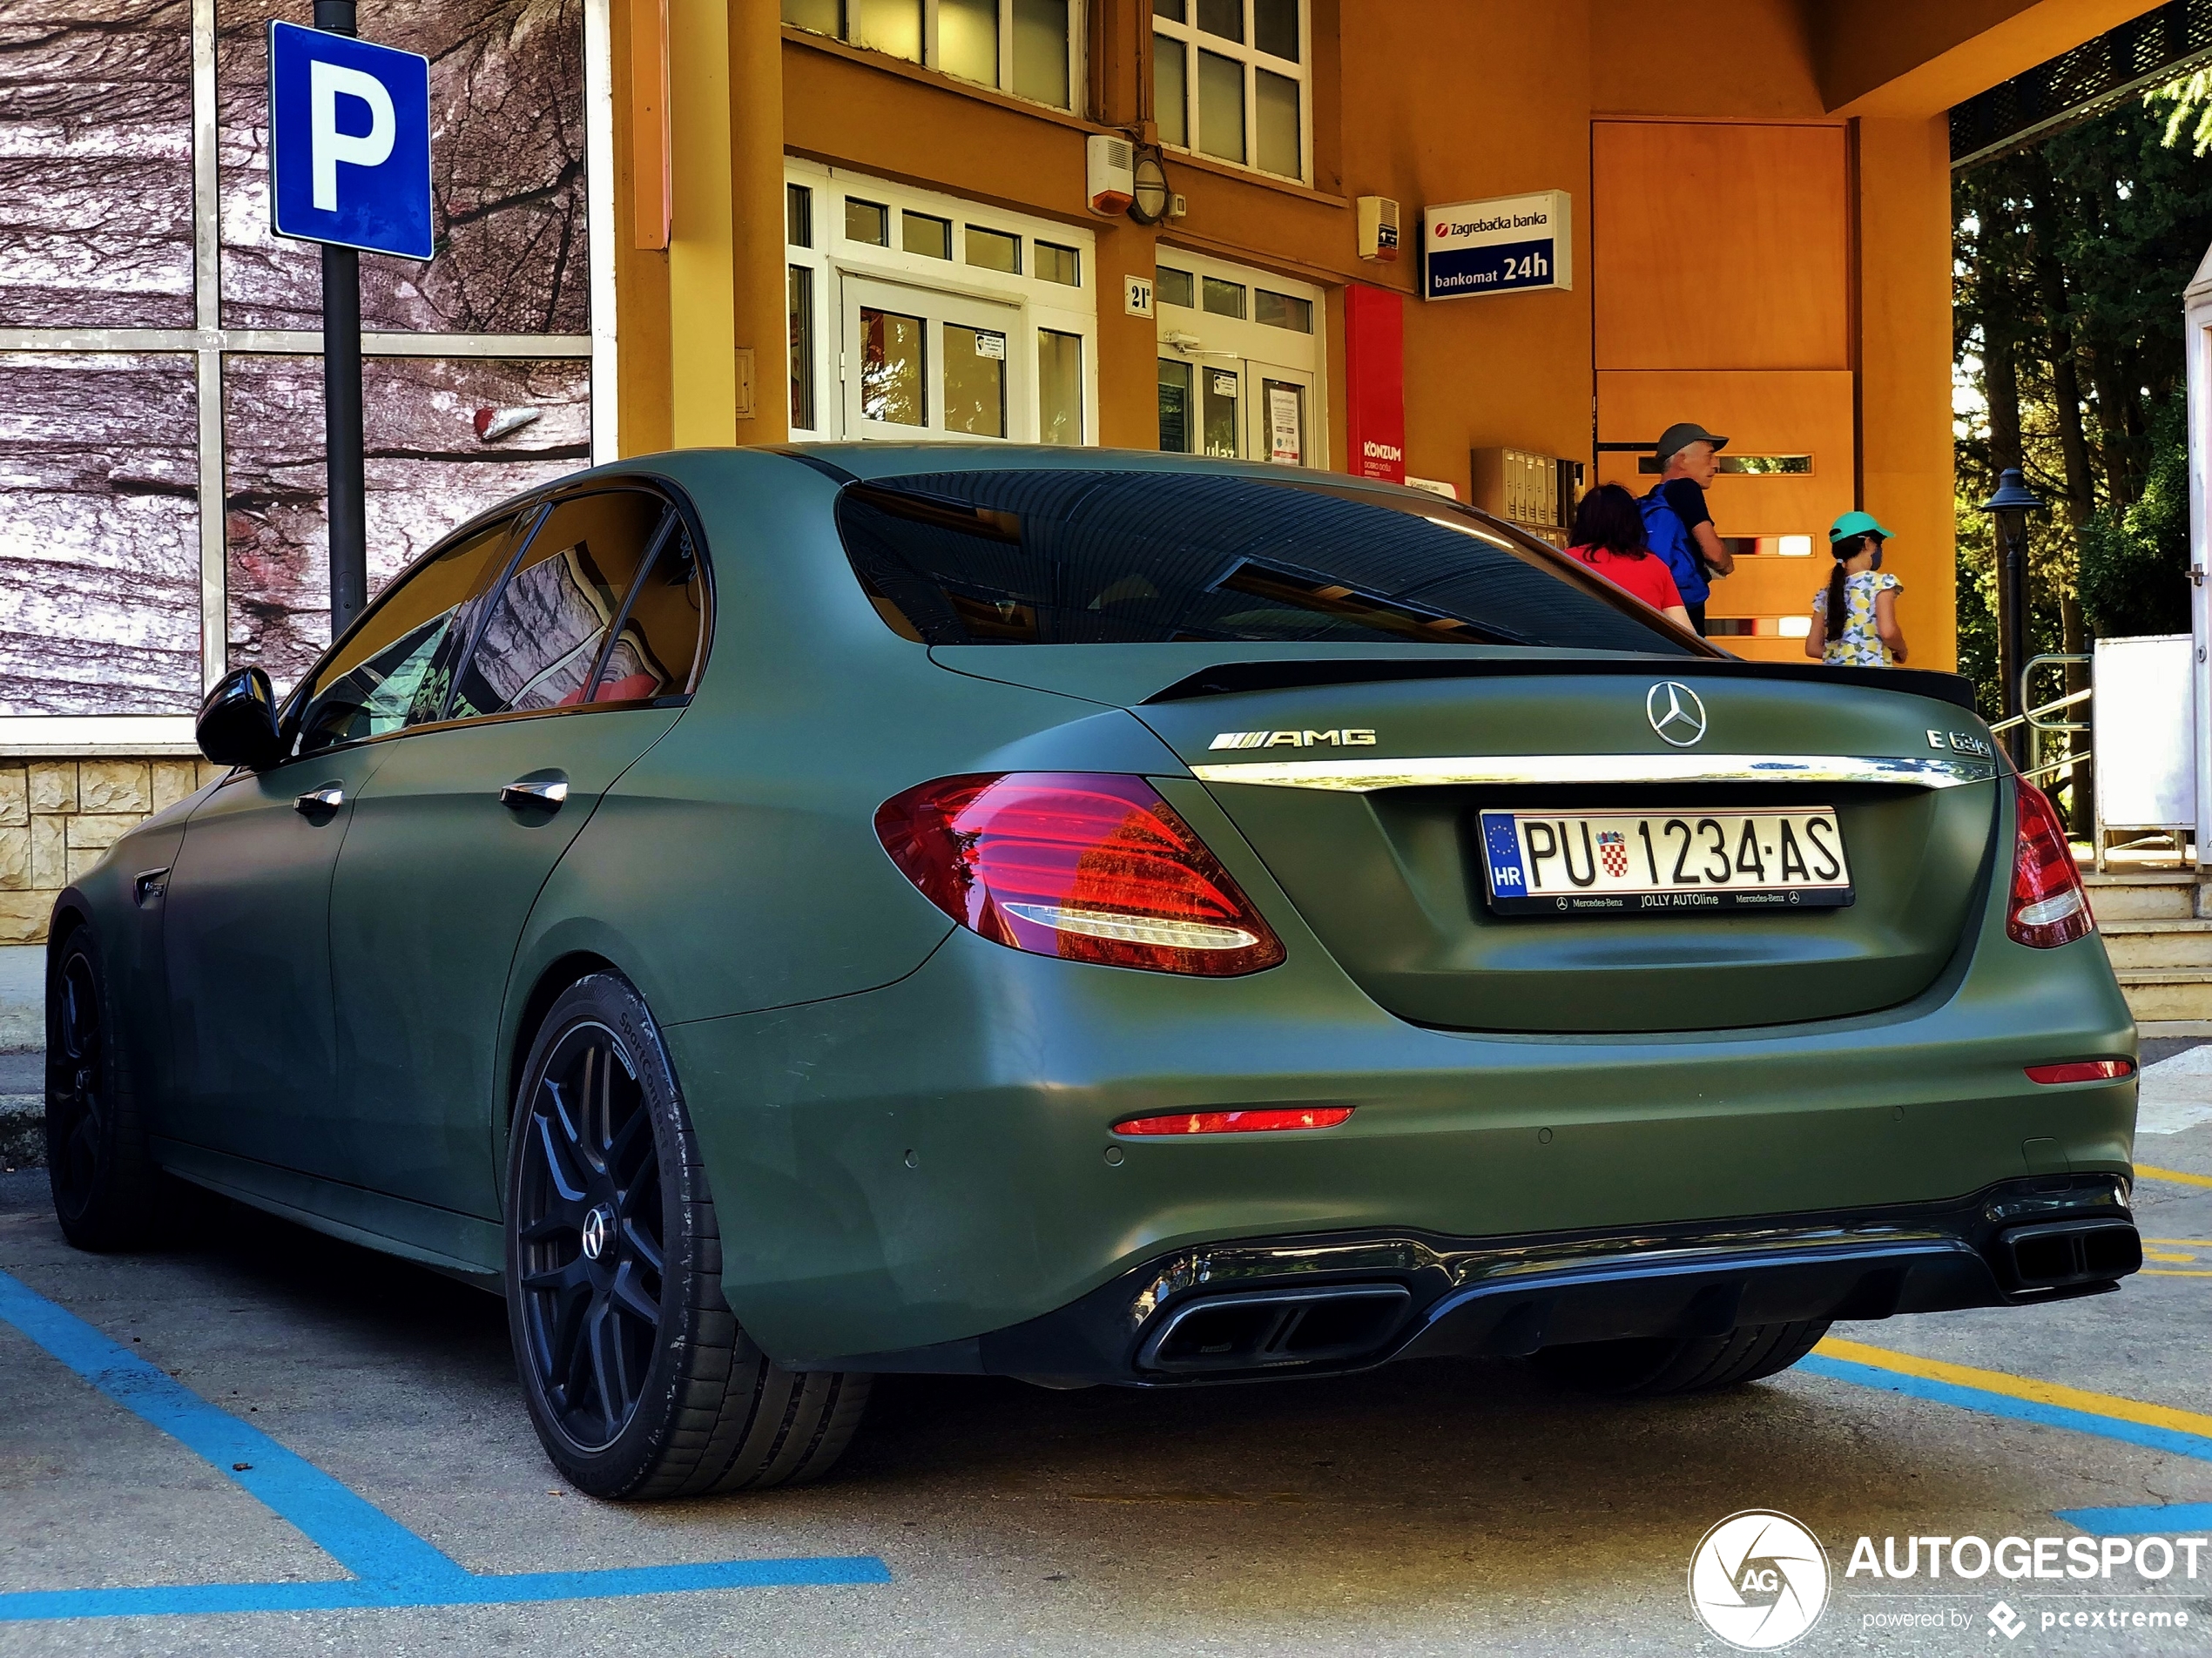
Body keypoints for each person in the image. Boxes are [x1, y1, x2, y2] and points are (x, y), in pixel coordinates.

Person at [1640, 421, 1736, 636]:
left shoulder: (1655, 497)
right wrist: (1727, 564)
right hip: (1684, 605)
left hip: (1655, 601)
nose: (1716, 465)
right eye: (1709, 455)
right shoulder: (1686, 488)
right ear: (1682, 459)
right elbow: (1714, 553)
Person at [1564, 482, 1694, 630]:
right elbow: (1685, 631)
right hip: (1642, 650)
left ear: (1582, 520)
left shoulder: (1564, 562)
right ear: (1633, 521)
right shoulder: (1655, 566)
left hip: (1581, 650)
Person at [1805, 509, 1907, 666]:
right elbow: (1888, 632)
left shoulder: (1826, 594)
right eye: (1878, 543)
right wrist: (1901, 649)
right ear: (1867, 543)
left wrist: (1844, 656)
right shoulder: (1881, 583)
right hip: (1871, 681)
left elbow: (1812, 648)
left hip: (1836, 681)